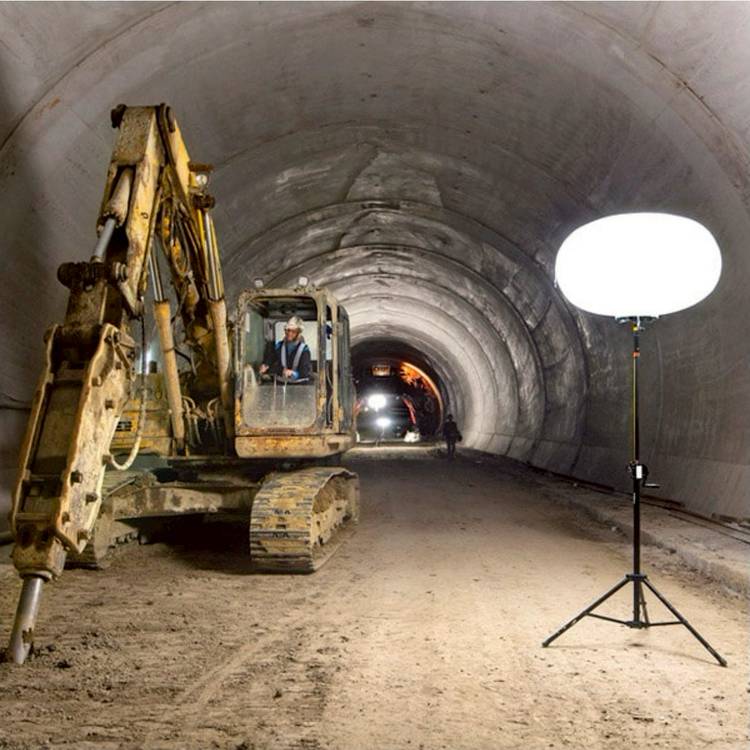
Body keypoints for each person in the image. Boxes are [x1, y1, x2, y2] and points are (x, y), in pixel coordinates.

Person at [259, 316, 312, 382]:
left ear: (298, 333)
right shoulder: (279, 346)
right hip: (282, 383)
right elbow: (271, 359)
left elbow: (305, 372)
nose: (289, 333)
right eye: (288, 330)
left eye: (293, 331)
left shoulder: (304, 350)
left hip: (300, 384)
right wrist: (266, 365)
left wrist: (294, 374)